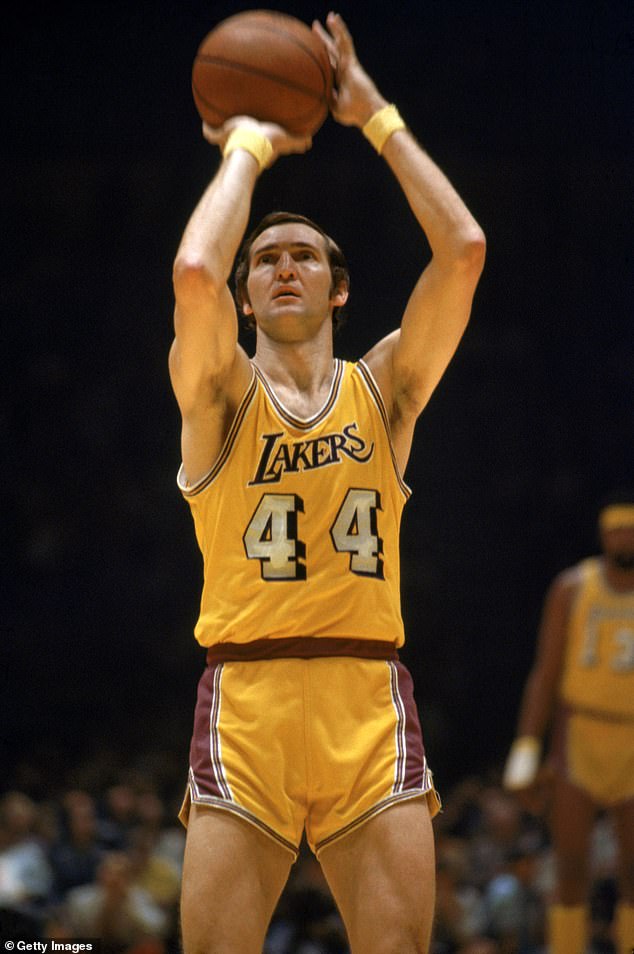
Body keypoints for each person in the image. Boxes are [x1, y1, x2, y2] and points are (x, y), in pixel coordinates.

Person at [169, 12, 485, 954]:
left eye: (304, 255)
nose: (283, 268)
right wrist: (249, 148)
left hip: (366, 696)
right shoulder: (219, 395)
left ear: (341, 288)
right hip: (249, 698)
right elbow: (193, 268)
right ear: (247, 294)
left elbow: (463, 249)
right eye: (264, 260)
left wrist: (376, 113)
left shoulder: (384, 391)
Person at [503, 492, 634, 954]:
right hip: (581, 732)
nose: (625, 536)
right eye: (617, 528)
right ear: (603, 533)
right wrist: (525, 750)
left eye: (631, 528)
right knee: (570, 866)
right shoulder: (574, 587)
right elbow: (546, 672)